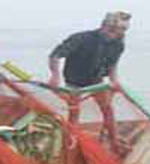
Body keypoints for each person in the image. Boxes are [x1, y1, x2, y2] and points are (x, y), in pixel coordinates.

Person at [48, 11, 131, 155]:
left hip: (96, 81)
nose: (120, 33)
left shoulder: (118, 44)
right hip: (74, 81)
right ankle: (71, 143)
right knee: (74, 112)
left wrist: (114, 82)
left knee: (108, 109)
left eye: (123, 30)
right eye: (118, 29)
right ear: (106, 26)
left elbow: (112, 65)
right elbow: (55, 55)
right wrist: (55, 76)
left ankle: (114, 143)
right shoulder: (81, 38)